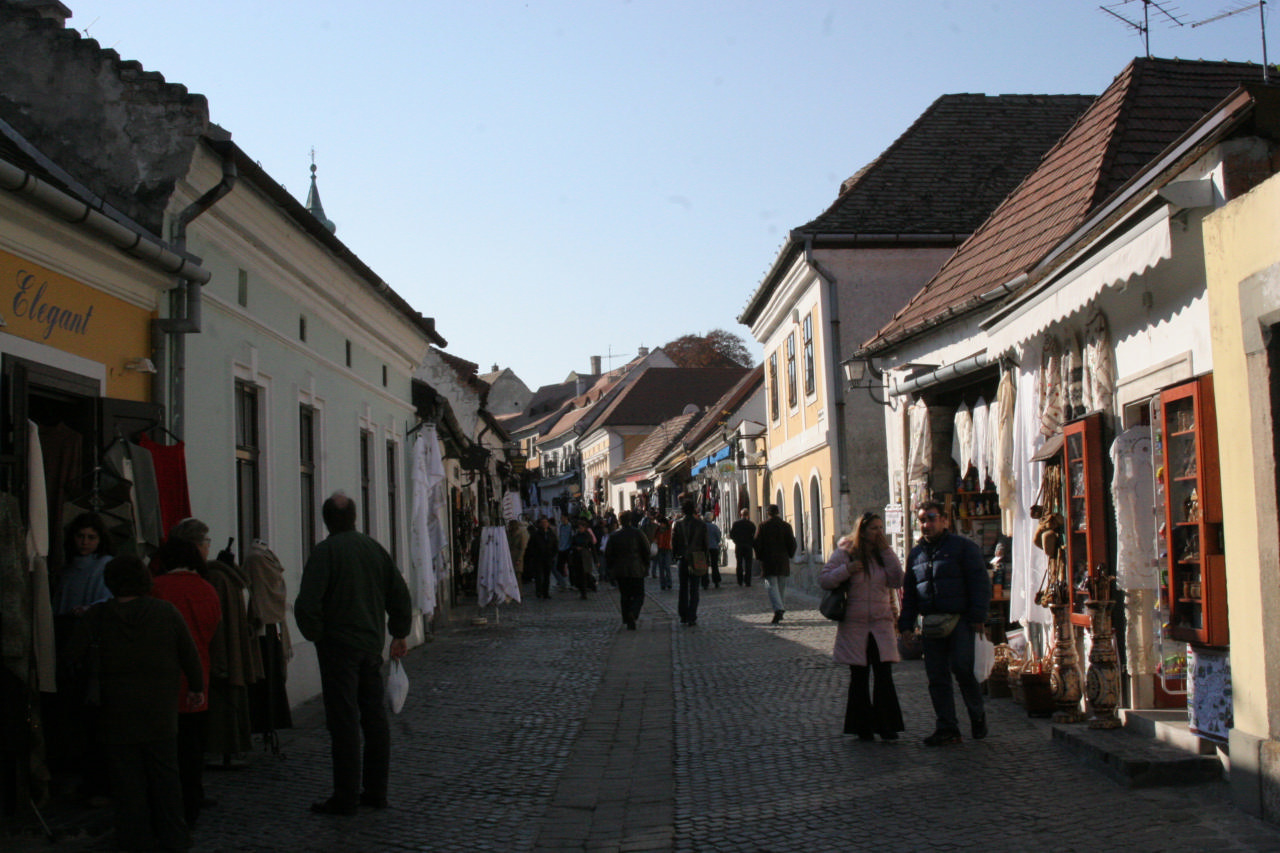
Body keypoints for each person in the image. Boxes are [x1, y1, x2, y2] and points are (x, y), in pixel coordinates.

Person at [70, 555, 204, 853]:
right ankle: (174, 836)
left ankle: (134, 838)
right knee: (166, 778)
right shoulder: (165, 612)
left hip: (115, 710)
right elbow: (188, 653)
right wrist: (196, 688)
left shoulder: (97, 617)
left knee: (127, 781)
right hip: (160, 710)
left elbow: (72, 656)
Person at [295, 492, 412, 815]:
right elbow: (399, 593)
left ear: (326, 520)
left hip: (338, 648)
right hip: (370, 647)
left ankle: (345, 795)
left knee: (344, 720)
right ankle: (376, 790)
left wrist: (317, 636)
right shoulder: (373, 549)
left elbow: (307, 605)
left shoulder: (325, 553)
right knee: (374, 719)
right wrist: (399, 632)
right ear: (355, 518)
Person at [897, 500, 992, 746]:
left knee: (962, 668)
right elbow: (910, 592)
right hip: (931, 624)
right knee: (936, 677)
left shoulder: (963, 548)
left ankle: (977, 714)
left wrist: (978, 616)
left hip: (960, 621)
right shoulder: (916, 554)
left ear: (944, 520)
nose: (926, 524)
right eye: (921, 520)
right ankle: (947, 727)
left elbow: (979, 583)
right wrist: (905, 625)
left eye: (930, 518)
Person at [150, 534, 222, 829]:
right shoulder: (207, 589)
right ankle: (191, 803)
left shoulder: (156, 588)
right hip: (198, 678)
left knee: (164, 751)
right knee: (192, 749)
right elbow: (212, 629)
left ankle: (166, 808)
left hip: (162, 681)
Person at [819, 512, 905, 741]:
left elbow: (897, 579)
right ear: (862, 530)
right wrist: (847, 570)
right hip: (854, 625)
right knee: (859, 676)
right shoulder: (845, 552)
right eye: (874, 528)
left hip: (881, 624)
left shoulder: (882, 554)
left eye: (880, 527)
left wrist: (887, 551)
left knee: (884, 674)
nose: (879, 532)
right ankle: (862, 726)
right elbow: (825, 579)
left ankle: (887, 725)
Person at [605, 511, 650, 629]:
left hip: (621, 570)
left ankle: (627, 618)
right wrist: (646, 565)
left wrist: (610, 569)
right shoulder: (638, 533)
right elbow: (646, 550)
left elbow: (608, 554)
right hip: (636, 568)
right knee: (639, 594)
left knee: (625, 595)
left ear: (620, 521)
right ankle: (633, 613)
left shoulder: (614, 536)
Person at [754, 505, 797, 624]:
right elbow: (792, 543)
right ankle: (781, 607)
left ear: (768, 513)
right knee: (781, 587)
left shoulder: (763, 526)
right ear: (778, 512)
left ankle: (778, 609)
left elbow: (757, 543)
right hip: (783, 561)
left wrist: (759, 557)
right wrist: (790, 555)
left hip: (768, 562)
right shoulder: (786, 526)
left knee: (770, 586)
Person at [672, 499, 709, 626]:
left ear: (682, 511)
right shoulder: (701, 524)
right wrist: (706, 559)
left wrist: (675, 555)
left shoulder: (677, 524)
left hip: (682, 558)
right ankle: (692, 616)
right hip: (697, 557)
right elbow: (705, 544)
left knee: (683, 588)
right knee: (694, 588)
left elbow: (674, 543)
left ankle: (683, 615)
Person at [525, 516, 558, 599]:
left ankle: (546, 592)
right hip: (538, 558)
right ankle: (539, 591)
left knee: (547, 576)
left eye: (545, 522)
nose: (544, 524)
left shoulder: (551, 534)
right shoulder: (536, 534)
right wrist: (533, 555)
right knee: (539, 576)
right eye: (542, 522)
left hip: (548, 558)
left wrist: (553, 555)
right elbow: (531, 546)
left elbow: (555, 545)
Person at [569, 517, 597, 599]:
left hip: (585, 557)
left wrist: (596, 560)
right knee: (579, 576)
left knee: (586, 574)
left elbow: (592, 547)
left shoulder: (587, 536)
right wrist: (575, 548)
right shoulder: (576, 536)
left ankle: (590, 586)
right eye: (579, 528)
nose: (580, 529)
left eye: (581, 527)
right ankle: (583, 592)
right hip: (577, 557)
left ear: (584, 528)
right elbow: (572, 545)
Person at [729, 508, 756, 587]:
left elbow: (732, 534)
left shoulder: (736, 524)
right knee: (748, 564)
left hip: (739, 546)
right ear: (748, 515)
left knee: (739, 563)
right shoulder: (751, 524)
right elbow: (753, 534)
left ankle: (740, 581)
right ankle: (748, 581)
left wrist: (736, 541)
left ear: (741, 515)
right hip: (748, 546)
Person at [700, 512, 723, 590]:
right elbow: (718, 537)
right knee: (714, 565)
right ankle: (716, 581)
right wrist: (715, 542)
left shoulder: (702, 527)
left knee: (704, 566)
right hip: (713, 547)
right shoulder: (714, 527)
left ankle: (705, 583)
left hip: (704, 548)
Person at [506, 518, 529, 585]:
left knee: (517, 576)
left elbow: (523, 548)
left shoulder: (521, 534)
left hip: (517, 557)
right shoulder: (508, 534)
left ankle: (519, 593)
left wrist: (519, 559)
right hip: (510, 556)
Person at [653, 514, 673, 590]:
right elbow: (654, 538)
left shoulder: (669, 529)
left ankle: (669, 583)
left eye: (661, 523)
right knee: (661, 568)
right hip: (660, 549)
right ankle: (663, 584)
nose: (661, 525)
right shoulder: (658, 529)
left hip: (667, 549)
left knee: (667, 567)